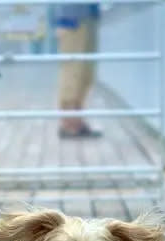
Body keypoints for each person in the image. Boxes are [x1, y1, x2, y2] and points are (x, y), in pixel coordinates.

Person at [53, 3, 101, 139]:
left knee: (85, 74)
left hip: (86, 16)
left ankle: (76, 121)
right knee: (73, 72)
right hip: (73, 18)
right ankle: (69, 123)